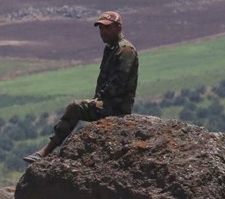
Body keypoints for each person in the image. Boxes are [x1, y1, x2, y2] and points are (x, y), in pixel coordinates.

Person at [24, 11, 139, 163]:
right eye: (101, 28)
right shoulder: (111, 49)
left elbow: (118, 84)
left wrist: (98, 101)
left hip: (117, 107)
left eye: (107, 28)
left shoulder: (125, 50)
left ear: (118, 28)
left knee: (76, 107)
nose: (103, 32)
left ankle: (46, 150)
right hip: (108, 103)